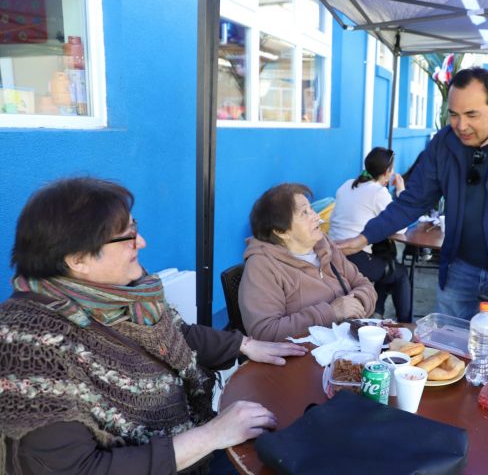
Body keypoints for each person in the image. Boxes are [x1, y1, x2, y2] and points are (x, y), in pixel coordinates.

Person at [0, 177, 307, 474]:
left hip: (191, 447)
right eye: (127, 235)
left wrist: (245, 345)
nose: (142, 242)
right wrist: (211, 435)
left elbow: (177, 335)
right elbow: (78, 469)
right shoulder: (30, 346)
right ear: (78, 260)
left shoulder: (125, 291)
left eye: (135, 227)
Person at [337, 67, 488, 345]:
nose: (460, 125)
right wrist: (364, 237)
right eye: (453, 114)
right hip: (458, 269)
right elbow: (413, 200)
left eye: (471, 114)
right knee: (445, 348)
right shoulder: (444, 144)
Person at [239, 183, 376, 341]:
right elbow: (264, 333)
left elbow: (364, 284)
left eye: (311, 209)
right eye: (304, 212)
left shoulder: (325, 246)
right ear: (281, 232)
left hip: (346, 347)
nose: (316, 216)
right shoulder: (262, 266)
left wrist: (357, 302)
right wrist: (331, 313)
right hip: (304, 359)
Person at [328, 147, 412, 322]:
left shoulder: (348, 184)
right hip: (353, 256)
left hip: (332, 253)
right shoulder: (378, 192)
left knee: (385, 259)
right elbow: (401, 227)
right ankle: (406, 324)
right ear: (387, 172)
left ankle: (377, 311)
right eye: (392, 169)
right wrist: (400, 191)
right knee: (400, 273)